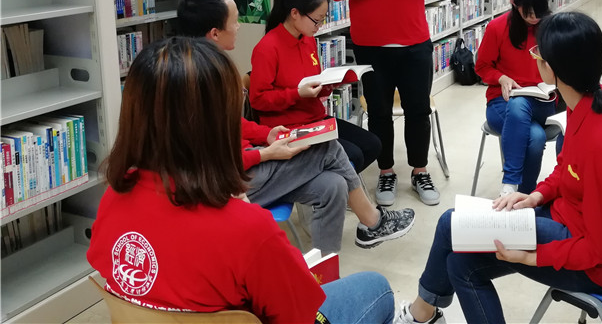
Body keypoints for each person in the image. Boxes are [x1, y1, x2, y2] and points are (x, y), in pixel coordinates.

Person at [87, 37, 395, 324]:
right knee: (376, 287)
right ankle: (373, 222)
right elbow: (298, 315)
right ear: (219, 123)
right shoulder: (248, 230)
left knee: (331, 185)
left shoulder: (114, 199)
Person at [395, 12, 602, 324]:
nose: (534, 57)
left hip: (598, 264)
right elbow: (567, 169)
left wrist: (534, 257)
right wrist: (536, 195)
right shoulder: (591, 100)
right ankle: (422, 315)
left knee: (450, 224)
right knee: (460, 264)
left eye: (538, 53)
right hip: (574, 219)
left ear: (553, 67)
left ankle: (420, 314)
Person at [176, 0, 414, 253]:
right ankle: (373, 222)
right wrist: (265, 154)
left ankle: (324, 269)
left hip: (250, 161)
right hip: (229, 181)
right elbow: (210, 160)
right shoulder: (197, 81)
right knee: (327, 147)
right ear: (215, 33)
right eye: (235, 21)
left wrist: (266, 136)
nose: (240, 27)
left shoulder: (212, 67)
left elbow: (230, 125)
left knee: (334, 185)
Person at [328, 0, 446, 207]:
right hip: (371, 44)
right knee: (379, 112)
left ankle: (420, 170)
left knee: (417, 110)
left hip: (414, 41)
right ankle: (386, 171)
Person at [245, 0, 381, 173]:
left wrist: (328, 86)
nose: (319, 26)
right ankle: (333, 186)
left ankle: (340, 183)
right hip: (287, 127)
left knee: (372, 144)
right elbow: (258, 100)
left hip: (314, 118)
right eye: (316, 21)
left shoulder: (307, 39)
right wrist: (297, 94)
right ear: (295, 13)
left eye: (322, 20)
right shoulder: (267, 48)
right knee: (354, 155)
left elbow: (311, 80)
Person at [475, 0, 556, 196]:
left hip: (543, 102)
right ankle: (524, 195)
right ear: (514, 4)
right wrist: (501, 78)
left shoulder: (552, 27)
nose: (534, 18)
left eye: (539, 12)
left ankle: (510, 186)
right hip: (502, 101)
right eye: (528, 13)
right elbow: (481, 67)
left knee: (520, 105)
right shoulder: (497, 28)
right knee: (535, 136)